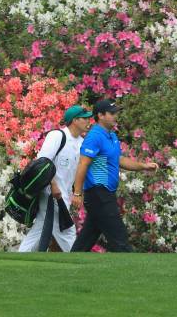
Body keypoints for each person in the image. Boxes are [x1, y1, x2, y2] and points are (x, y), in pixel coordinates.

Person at [70, 99, 158, 252]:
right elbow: (83, 164)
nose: (115, 116)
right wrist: (77, 193)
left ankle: (67, 267)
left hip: (106, 193)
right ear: (100, 115)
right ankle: (132, 271)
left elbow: (119, 159)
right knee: (120, 238)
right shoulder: (94, 136)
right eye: (112, 113)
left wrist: (143, 166)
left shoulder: (111, 136)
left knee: (86, 239)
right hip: (98, 193)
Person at [18, 105, 92, 252]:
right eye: (84, 118)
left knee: (40, 228)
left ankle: (21, 257)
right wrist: (53, 185)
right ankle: (77, 264)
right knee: (67, 231)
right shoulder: (57, 136)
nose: (88, 121)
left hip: (63, 193)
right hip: (51, 192)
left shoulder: (81, 143)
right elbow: (43, 163)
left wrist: (77, 193)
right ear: (74, 120)